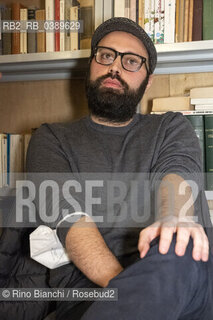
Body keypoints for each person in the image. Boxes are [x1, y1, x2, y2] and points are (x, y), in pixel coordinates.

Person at [26, 18, 213, 319]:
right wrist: (142, 296)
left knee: (182, 240)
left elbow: (177, 176)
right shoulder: (50, 138)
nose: (115, 67)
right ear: (92, 65)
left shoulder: (171, 127)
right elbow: (68, 218)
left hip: (179, 284)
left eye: (131, 61)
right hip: (87, 299)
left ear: (148, 80)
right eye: (106, 55)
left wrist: (174, 218)